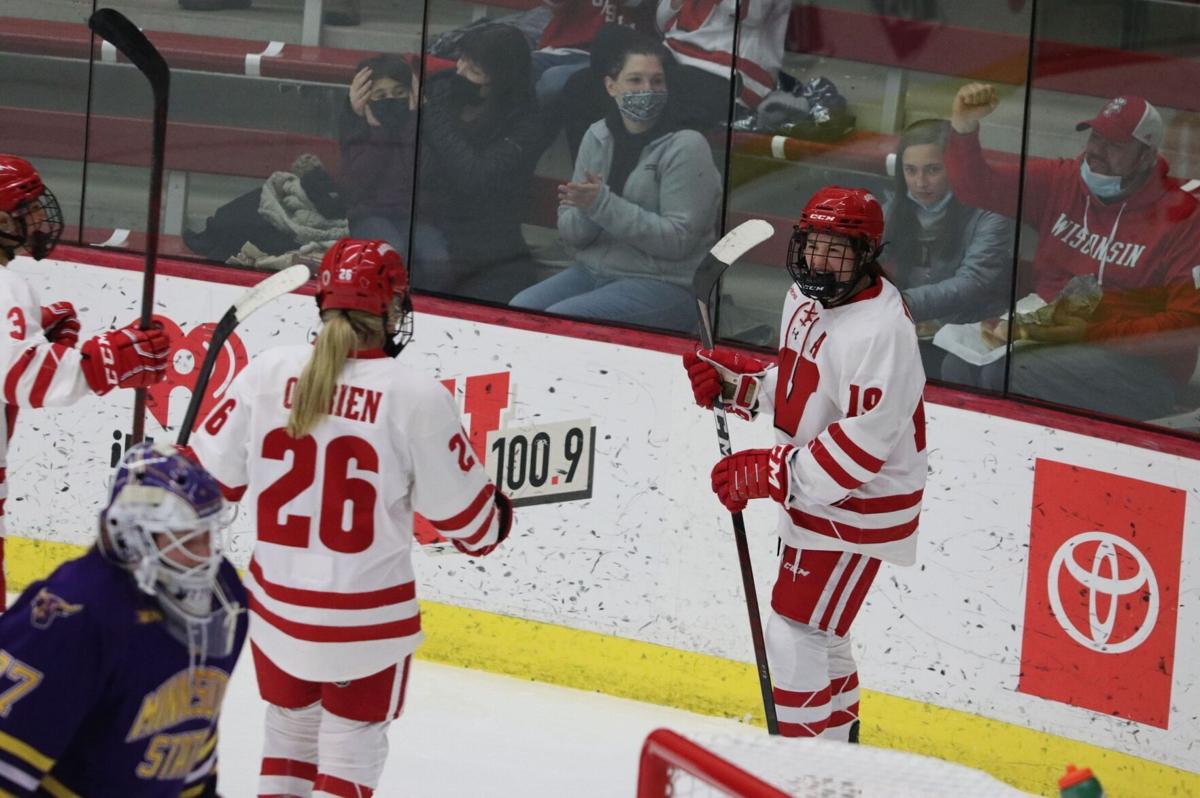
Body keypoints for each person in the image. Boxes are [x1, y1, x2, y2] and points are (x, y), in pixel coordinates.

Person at [189, 239, 514, 797]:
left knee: (288, 735)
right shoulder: (416, 396)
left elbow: (203, 488)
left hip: (276, 614)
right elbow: (476, 531)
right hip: (366, 627)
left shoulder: (266, 372)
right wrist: (498, 509)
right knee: (351, 753)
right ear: (389, 311)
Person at [683, 187, 927, 740]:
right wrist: (740, 387)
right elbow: (807, 390)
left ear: (867, 254)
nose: (819, 261)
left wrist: (768, 472)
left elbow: (862, 449)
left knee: (794, 632)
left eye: (836, 250)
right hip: (817, 492)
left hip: (859, 504)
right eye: (813, 245)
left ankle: (801, 772)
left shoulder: (883, 330)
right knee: (821, 634)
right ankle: (834, 765)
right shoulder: (805, 297)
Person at [0, 442, 247, 796]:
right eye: (189, 540)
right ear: (134, 536)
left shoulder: (225, 598)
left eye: (209, 536)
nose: (206, 556)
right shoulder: (75, 616)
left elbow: (190, 751)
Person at [942, 85, 1200, 420]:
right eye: (1095, 137)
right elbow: (976, 187)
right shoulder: (1063, 180)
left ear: (1146, 156)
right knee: (957, 364)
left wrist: (1091, 332)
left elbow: (1184, 325)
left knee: (1007, 373)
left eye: (1115, 144)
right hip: (1053, 336)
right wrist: (964, 129)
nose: (1097, 150)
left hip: (1141, 367)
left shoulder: (1183, 217)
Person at [0, 154, 172, 608]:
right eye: (27, 209)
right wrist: (116, 356)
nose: (39, 218)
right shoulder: (4, 288)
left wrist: (33, 333)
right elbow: (29, 379)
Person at [510, 36, 721, 332]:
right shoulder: (596, 136)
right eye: (635, 80)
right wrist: (587, 209)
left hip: (666, 283)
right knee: (520, 309)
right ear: (612, 87)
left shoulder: (686, 146)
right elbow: (573, 234)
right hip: (593, 271)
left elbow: (678, 241)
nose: (647, 90)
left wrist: (602, 204)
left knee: (563, 318)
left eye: (657, 81)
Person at [414, 24, 545, 302]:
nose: (460, 70)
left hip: (490, 248)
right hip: (429, 225)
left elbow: (476, 177)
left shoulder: (526, 121)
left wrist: (432, 116)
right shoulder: (441, 88)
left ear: (501, 80)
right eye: (461, 59)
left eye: (473, 70)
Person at [882, 119, 1014, 375]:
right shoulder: (892, 210)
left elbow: (972, 282)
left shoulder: (989, 214)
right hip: (910, 330)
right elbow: (866, 257)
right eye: (910, 170)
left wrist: (900, 303)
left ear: (954, 167)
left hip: (967, 336)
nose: (920, 182)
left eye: (933, 170)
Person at [657, 0, 791, 128]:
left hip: (729, 75)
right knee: (641, 69)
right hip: (675, 52)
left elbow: (752, 14)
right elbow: (662, 21)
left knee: (662, 89)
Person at [339, 54, 420, 256]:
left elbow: (421, 174)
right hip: (369, 215)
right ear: (365, 97)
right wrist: (379, 134)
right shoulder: (356, 125)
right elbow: (358, 183)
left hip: (417, 217)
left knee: (436, 257)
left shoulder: (420, 125)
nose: (391, 100)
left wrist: (412, 123)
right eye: (381, 96)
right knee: (391, 251)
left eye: (399, 92)